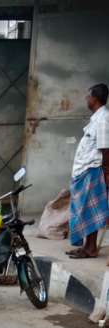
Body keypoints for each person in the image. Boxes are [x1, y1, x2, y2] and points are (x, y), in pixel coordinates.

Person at [68, 83, 109, 260]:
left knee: (89, 211)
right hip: (84, 171)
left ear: (95, 98)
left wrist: (106, 173)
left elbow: (106, 149)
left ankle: (90, 249)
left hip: (93, 171)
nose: (86, 99)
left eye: (88, 96)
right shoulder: (96, 118)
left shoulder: (103, 119)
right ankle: (87, 246)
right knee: (84, 211)